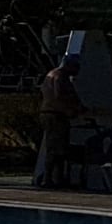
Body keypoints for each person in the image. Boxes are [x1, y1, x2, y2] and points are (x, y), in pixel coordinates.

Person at [33, 55, 80, 189]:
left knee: (57, 147)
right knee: (56, 148)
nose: (78, 70)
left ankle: (56, 177)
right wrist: (71, 108)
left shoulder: (50, 75)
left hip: (47, 113)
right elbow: (59, 95)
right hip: (56, 115)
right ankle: (49, 178)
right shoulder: (60, 77)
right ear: (69, 66)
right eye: (76, 67)